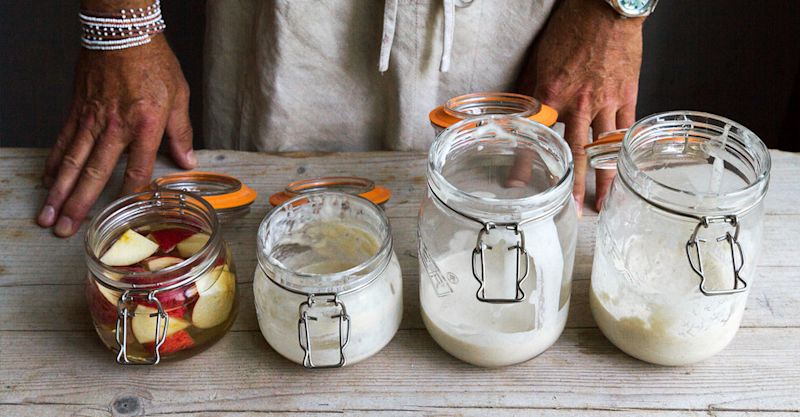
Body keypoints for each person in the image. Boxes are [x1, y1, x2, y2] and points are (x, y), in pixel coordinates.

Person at [38, 0, 649, 237]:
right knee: (268, 236)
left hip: (510, 23)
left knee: (512, 222)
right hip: (295, 26)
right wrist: (119, 23)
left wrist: (617, 8)